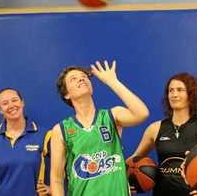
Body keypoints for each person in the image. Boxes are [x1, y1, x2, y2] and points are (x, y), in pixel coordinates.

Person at [50, 60, 149, 196]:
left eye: (84, 77)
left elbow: (142, 114)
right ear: (66, 94)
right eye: (74, 79)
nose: (81, 79)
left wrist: (112, 82)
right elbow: (56, 180)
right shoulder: (61, 130)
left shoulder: (112, 116)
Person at [128, 72, 197, 196]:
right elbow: (133, 161)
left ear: (191, 94)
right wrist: (125, 181)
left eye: (180, 90)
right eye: (171, 90)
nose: (174, 94)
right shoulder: (155, 128)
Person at [0, 88, 51, 196]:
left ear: (22, 103)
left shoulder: (45, 136)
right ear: (0, 110)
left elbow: (67, 166)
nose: (11, 105)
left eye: (14, 100)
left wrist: (54, 189)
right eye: (5, 103)